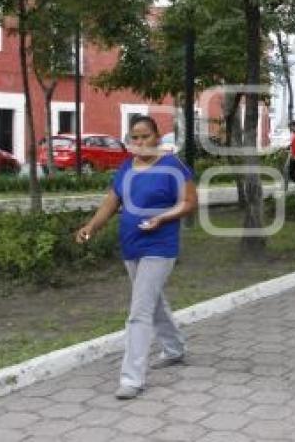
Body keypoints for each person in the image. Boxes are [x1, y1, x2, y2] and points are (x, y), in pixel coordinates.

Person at [76, 115, 198, 400]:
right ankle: (175, 348)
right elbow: (111, 202)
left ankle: (132, 378)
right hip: (131, 245)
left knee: (139, 311)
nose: (140, 142)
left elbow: (190, 202)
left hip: (160, 246)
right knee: (152, 302)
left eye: (145, 136)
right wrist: (91, 227)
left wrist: (162, 218)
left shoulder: (173, 166)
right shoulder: (125, 168)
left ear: (157, 137)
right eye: (135, 138)